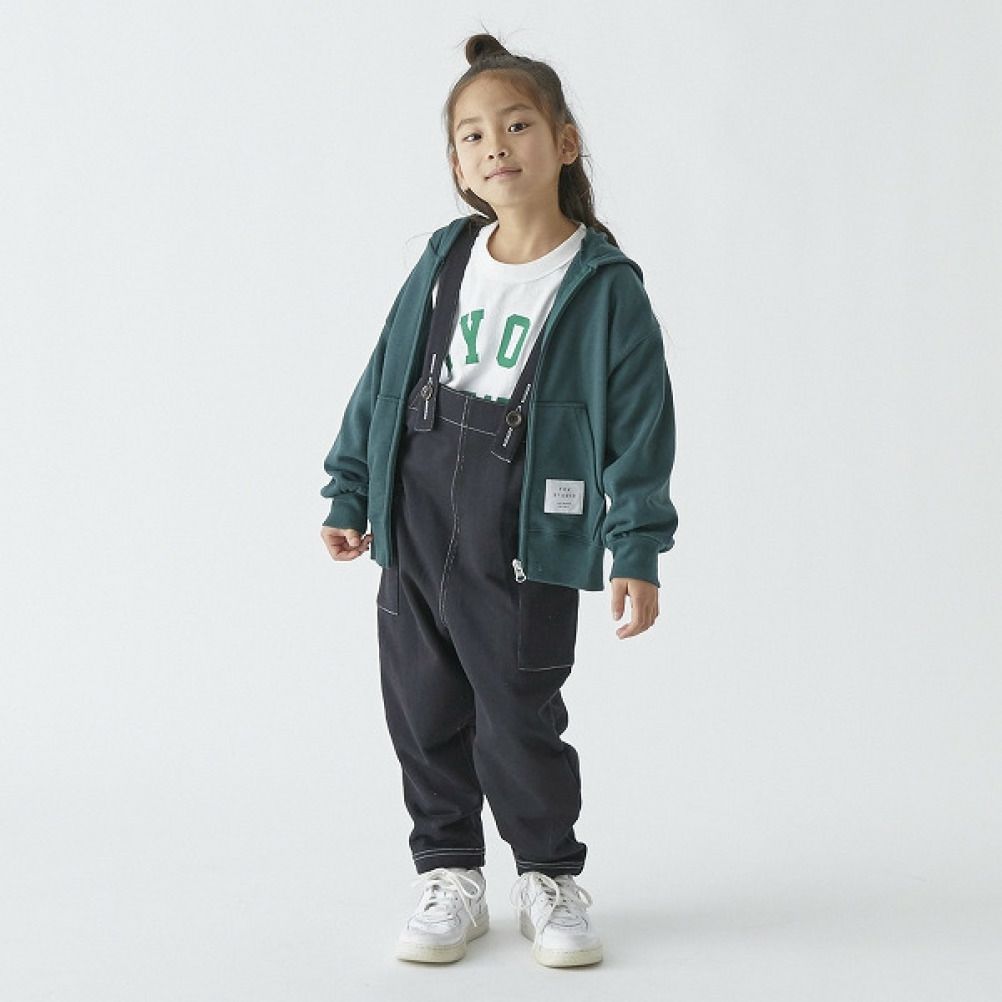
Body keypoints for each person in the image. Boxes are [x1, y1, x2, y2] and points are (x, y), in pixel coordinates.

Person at [319, 32, 678, 968]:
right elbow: (383, 378)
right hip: (416, 506)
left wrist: (636, 546)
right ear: (457, 165)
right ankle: (448, 871)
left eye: (516, 125)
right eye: (472, 135)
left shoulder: (603, 287)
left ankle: (549, 876)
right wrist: (351, 486)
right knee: (422, 700)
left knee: (519, 706)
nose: (495, 146)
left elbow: (642, 427)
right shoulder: (446, 257)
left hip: (525, 524)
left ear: (565, 143)